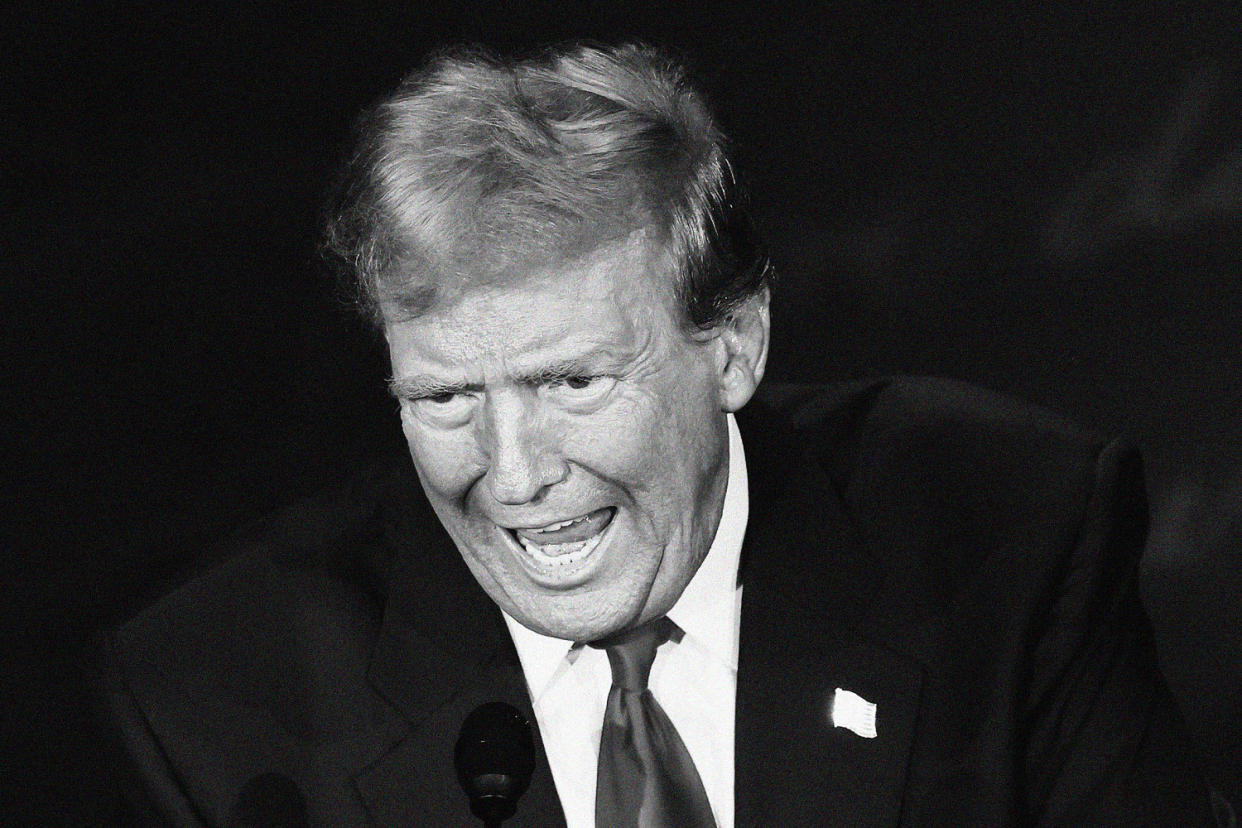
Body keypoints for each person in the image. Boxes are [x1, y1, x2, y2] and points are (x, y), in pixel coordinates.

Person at [95, 42, 1218, 826]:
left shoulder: (1002, 541)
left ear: (732, 344)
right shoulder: (227, 700)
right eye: (444, 400)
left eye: (573, 380)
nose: (516, 475)